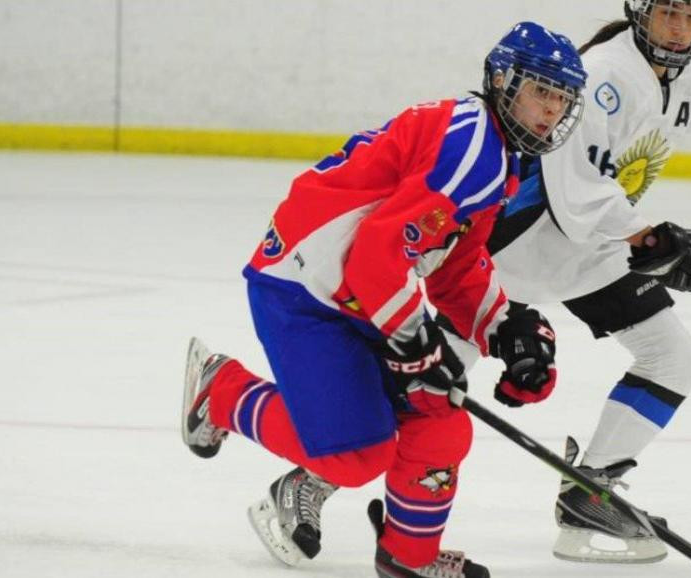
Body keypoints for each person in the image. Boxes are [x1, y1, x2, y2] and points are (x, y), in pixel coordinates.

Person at [180, 22, 587, 578]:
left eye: (561, 98)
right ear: (502, 81)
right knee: (356, 456)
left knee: (440, 416)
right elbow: (374, 254)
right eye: (541, 91)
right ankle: (222, 392)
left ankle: (408, 558)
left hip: (355, 295)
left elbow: (455, 265)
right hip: (303, 290)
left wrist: (504, 327)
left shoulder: (495, 154)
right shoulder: (474, 150)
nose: (550, 109)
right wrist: (414, 341)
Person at [440, 0, 691, 564]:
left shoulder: (688, 72)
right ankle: (311, 480)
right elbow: (576, 193)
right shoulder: (602, 77)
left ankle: (587, 492)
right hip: (518, 250)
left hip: (594, 250)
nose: (679, 27)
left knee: (672, 358)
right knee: (432, 378)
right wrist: (656, 243)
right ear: (640, 13)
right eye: (668, 11)